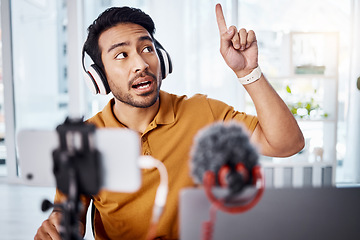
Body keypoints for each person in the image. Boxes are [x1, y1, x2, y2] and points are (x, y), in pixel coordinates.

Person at [34, 4, 304, 240]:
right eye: (121, 55)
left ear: (161, 58)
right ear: (99, 76)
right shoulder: (85, 139)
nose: (141, 63)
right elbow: (71, 216)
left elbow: (286, 144)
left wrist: (248, 72)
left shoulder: (203, 112)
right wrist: (59, 228)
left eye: (147, 48)